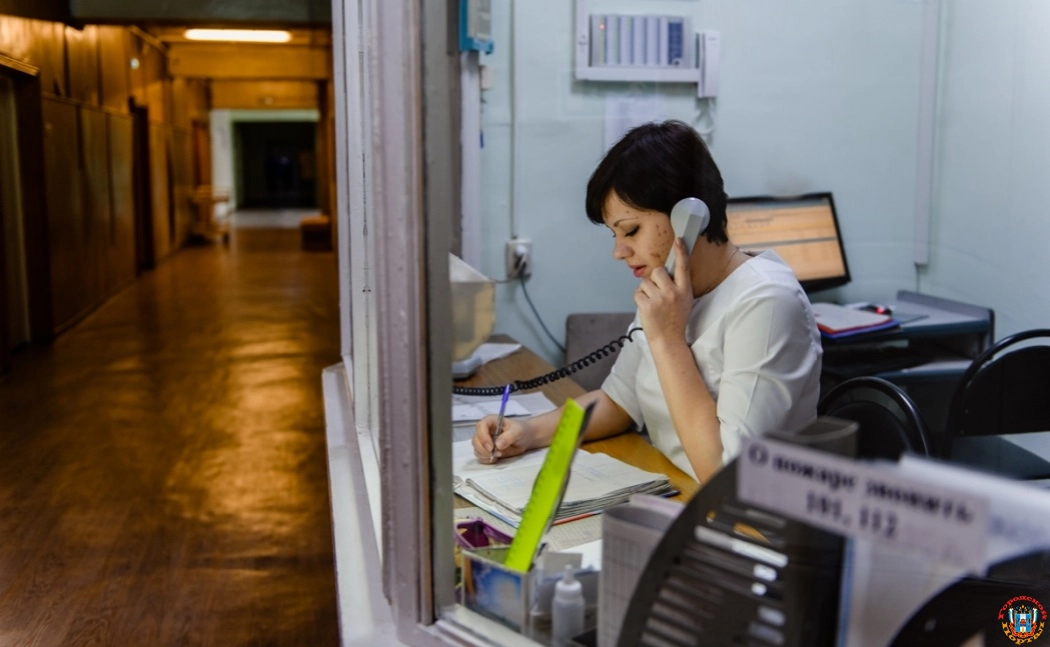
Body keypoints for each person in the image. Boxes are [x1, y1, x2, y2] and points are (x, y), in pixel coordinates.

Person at [471, 120, 822, 484]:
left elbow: (726, 477)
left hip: (751, 525)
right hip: (676, 489)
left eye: (631, 230)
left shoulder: (766, 302)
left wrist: (667, 340)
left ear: (691, 217)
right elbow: (619, 402)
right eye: (614, 235)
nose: (619, 252)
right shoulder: (668, 292)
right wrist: (528, 432)